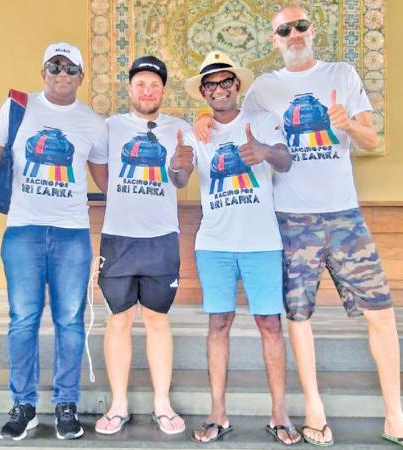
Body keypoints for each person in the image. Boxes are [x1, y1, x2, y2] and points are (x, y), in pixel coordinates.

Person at [195, 6, 403, 450]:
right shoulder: (265, 88)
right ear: (274, 39)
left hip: (345, 214)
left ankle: (396, 417)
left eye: (300, 25)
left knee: (380, 312)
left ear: (311, 30)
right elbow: (229, 122)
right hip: (291, 219)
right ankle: (315, 410)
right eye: (284, 29)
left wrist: (349, 127)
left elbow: (371, 138)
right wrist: (201, 120)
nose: (293, 34)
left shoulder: (341, 74)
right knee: (299, 317)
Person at [0, 42, 108, 441]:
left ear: (82, 77)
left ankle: (66, 404)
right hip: (24, 230)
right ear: (43, 71)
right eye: (55, 66)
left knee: (69, 321)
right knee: (23, 320)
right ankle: (24, 405)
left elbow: (106, 179)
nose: (62, 74)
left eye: (70, 68)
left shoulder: (92, 123)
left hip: (72, 234)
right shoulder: (16, 109)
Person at [171, 51, 300, 445]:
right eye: (211, 85)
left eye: (226, 82)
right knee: (218, 324)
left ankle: (279, 413)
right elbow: (179, 178)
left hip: (261, 242)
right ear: (204, 93)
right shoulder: (197, 132)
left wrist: (263, 151)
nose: (219, 89)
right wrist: (178, 164)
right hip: (214, 244)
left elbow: (286, 160)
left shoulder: (260, 120)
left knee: (270, 325)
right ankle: (218, 414)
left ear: (237, 86)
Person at [93, 56, 191, 436]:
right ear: (130, 88)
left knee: (157, 320)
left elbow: (181, 179)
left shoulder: (179, 128)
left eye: (154, 84)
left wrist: (181, 167)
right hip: (119, 237)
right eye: (140, 84)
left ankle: (162, 404)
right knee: (118, 320)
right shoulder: (111, 127)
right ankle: (118, 405)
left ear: (163, 90)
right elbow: (101, 174)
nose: (147, 91)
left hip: (161, 238)